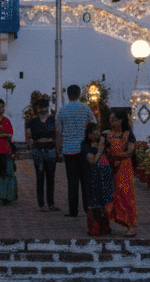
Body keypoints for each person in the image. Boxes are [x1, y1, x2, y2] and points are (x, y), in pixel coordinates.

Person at [56, 84, 97, 218]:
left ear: (68, 95)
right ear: (79, 94)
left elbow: (58, 131)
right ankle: (87, 208)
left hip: (69, 149)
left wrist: (59, 148)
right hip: (84, 149)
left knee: (72, 181)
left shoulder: (62, 110)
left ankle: (73, 211)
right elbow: (94, 125)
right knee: (86, 180)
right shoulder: (85, 109)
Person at [107, 110, 137, 237]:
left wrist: (116, 156)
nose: (112, 122)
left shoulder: (128, 134)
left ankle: (131, 225)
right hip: (110, 166)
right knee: (110, 195)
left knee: (125, 194)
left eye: (115, 119)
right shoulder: (107, 135)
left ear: (121, 121)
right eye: (111, 119)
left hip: (124, 166)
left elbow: (130, 152)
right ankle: (107, 223)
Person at [25, 97, 58, 211]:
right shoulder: (32, 122)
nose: (42, 110)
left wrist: (56, 146)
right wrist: (33, 145)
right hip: (38, 151)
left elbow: (57, 134)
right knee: (40, 177)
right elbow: (29, 136)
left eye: (44, 107)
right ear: (36, 109)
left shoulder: (53, 120)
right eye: (40, 108)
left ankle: (51, 203)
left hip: (50, 150)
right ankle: (41, 204)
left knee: (51, 177)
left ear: (48, 108)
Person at [81, 122, 114, 236]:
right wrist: (100, 149)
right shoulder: (86, 146)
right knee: (94, 201)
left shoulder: (105, 143)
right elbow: (92, 161)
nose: (96, 134)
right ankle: (95, 228)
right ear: (89, 135)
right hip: (93, 177)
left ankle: (106, 226)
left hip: (105, 176)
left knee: (105, 201)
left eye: (97, 132)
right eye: (93, 133)